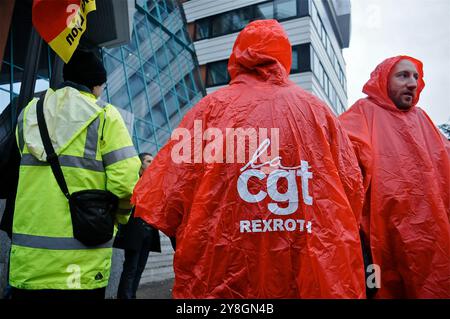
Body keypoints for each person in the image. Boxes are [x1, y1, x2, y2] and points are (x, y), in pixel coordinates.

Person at [132, 20, 366, 298]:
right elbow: (352, 193)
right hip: (307, 273)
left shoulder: (208, 111)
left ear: (237, 56)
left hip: (221, 278)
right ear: (285, 56)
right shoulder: (318, 112)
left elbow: (166, 200)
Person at [9, 49, 141, 299]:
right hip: (81, 265)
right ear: (95, 85)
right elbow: (126, 185)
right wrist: (120, 218)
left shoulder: (28, 114)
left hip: (29, 263)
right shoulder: (105, 116)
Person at [339, 56, 450, 298]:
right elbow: (336, 158)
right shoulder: (363, 113)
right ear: (383, 80)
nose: (413, 83)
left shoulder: (423, 120)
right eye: (403, 76)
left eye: (416, 77)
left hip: (431, 240)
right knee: (378, 288)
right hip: (378, 240)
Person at [114, 152, 161, 299]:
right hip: (134, 232)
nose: (152, 164)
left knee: (139, 268)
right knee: (131, 268)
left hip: (149, 233)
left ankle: (131, 295)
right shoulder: (134, 182)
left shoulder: (153, 184)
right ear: (140, 165)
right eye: (148, 161)